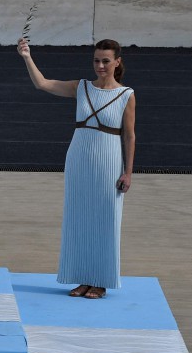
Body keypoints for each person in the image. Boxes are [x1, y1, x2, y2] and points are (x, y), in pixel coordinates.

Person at [17, 37, 136, 300]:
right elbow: (43, 83)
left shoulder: (126, 95)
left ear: (117, 62)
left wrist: (128, 171)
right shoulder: (81, 87)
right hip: (79, 159)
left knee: (105, 221)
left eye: (106, 61)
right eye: (96, 60)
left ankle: (100, 281)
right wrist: (27, 56)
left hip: (109, 160)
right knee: (79, 219)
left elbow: (129, 136)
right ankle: (83, 278)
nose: (100, 66)